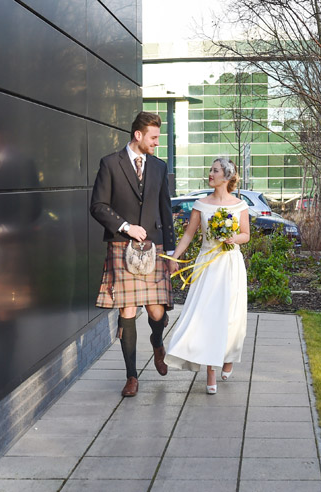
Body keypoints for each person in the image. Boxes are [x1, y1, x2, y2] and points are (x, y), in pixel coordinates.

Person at [91, 111, 176, 397]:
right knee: (127, 310)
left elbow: (166, 209)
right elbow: (98, 206)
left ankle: (157, 342)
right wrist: (126, 227)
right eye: (153, 137)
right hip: (122, 246)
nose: (156, 143)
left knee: (156, 311)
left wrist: (172, 251)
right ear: (138, 135)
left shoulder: (160, 167)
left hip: (155, 248)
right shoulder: (110, 164)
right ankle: (131, 377)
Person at [165, 157, 250, 394]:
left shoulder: (240, 206)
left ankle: (229, 355)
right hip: (207, 264)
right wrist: (175, 259)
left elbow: (246, 235)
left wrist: (234, 239)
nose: (210, 174)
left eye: (215, 170)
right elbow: (188, 236)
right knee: (206, 314)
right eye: (210, 170)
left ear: (227, 176)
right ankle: (211, 370)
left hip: (230, 263)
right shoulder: (200, 205)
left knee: (231, 315)